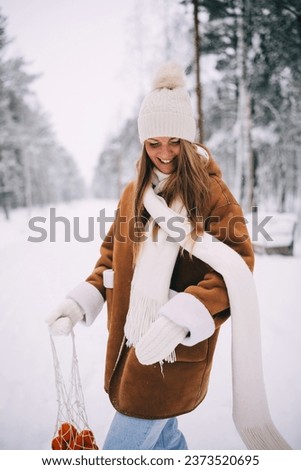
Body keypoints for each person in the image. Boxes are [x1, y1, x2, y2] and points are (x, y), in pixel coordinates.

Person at [47, 62, 290, 451]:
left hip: (175, 350)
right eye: (153, 143)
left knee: (124, 447)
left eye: (174, 142)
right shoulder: (133, 193)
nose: (164, 153)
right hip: (131, 338)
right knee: (165, 443)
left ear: (188, 140)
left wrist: (185, 316)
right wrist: (81, 301)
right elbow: (113, 254)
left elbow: (237, 265)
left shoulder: (211, 194)